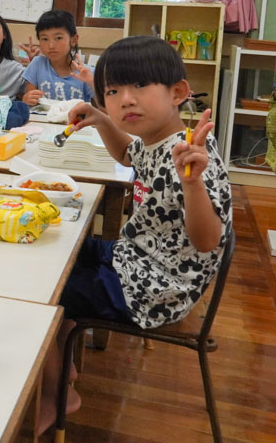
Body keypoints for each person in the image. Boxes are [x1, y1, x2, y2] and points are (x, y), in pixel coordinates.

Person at [37, 35, 232, 431]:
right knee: (55, 248)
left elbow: (209, 241)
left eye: (139, 86)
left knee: (43, 290)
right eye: (112, 91)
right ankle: (66, 352)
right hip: (136, 259)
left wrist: (192, 184)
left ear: (178, 92)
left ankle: (59, 393)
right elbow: (128, 155)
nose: (125, 99)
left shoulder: (191, 156)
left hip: (155, 287)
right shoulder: (155, 139)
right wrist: (100, 118)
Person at [21, 9, 95, 105]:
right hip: (42, 119)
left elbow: (101, 109)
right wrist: (26, 99)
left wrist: (91, 82)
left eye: (58, 38)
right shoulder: (37, 64)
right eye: (45, 39)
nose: (51, 45)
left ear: (73, 40)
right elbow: (29, 100)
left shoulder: (87, 73)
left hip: (76, 119)